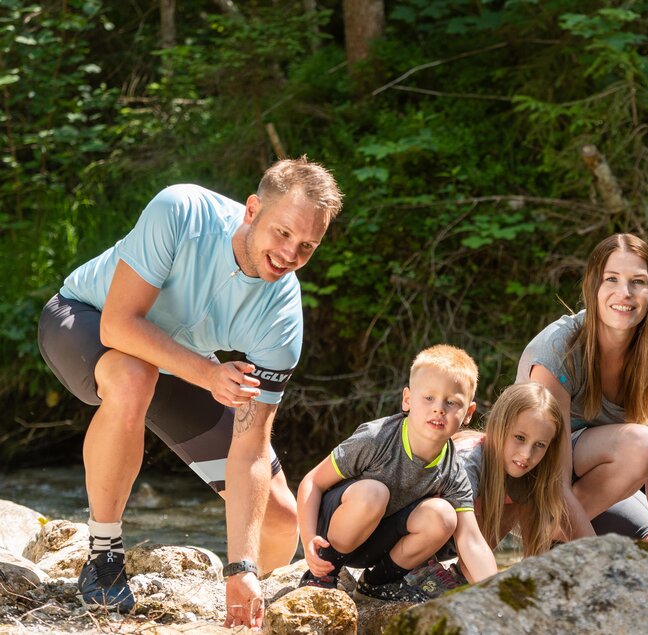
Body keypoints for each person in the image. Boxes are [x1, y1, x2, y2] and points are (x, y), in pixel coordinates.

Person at [37, 157, 343, 627]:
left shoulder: (283, 316)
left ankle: (252, 607)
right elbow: (121, 324)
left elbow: (251, 448)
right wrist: (207, 374)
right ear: (253, 209)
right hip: (86, 322)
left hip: (178, 363)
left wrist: (242, 566)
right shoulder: (182, 210)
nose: (289, 254)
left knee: (280, 518)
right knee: (135, 375)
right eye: (282, 233)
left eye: (307, 246)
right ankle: (103, 555)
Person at [517, 233, 648, 604]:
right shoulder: (557, 350)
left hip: (600, 491)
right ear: (592, 285)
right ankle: (549, 541)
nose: (625, 293)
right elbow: (553, 481)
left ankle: (563, 542)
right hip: (540, 487)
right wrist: (595, 559)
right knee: (640, 443)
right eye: (612, 279)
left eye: (637, 282)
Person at [296, 344, 497, 601]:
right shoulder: (376, 439)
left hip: (379, 544)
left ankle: (377, 582)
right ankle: (324, 572)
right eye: (428, 398)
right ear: (407, 399)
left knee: (444, 516)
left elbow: (471, 540)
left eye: (452, 402)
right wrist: (308, 539)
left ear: (468, 413)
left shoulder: (453, 469)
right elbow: (312, 481)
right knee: (374, 492)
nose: (439, 409)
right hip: (336, 532)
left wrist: (499, 599)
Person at [405, 381, 568, 596]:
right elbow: (468, 539)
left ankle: (462, 577)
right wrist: (496, 595)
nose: (526, 455)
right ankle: (416, 569)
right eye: (519, 438)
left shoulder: (528, 473)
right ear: (499, 427)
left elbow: (542, 543)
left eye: (540, 445)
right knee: (442, 512)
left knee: (514, 499)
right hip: (410, 532)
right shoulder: (467, 460)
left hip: (455, 540)